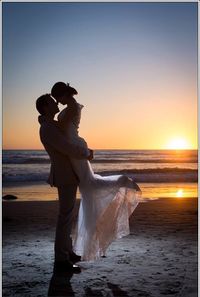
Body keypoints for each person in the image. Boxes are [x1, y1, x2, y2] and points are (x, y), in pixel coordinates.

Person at [51, 82, 142, 261]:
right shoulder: (71, 107)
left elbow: (62, 130)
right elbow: (62, 129)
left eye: (57, 97)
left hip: (76, 150)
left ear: (63, 94)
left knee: (89, 184)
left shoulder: (72, 108)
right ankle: (85, 240)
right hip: (75, 148)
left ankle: (122, 181)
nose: (56, 101)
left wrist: (46, 121)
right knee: (88, 185)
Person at [36, 94, 93, 273]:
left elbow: (70, 130)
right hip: (64, 175)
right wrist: (86, 153)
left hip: (68, 174)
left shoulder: (51, 125)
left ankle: (67, 251)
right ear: (45, 106)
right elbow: (66, 147)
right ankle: (61, 259)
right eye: (53, 102)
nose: (57, 104)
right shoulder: (47, 128)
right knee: (65, 217)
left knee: (67, 215)